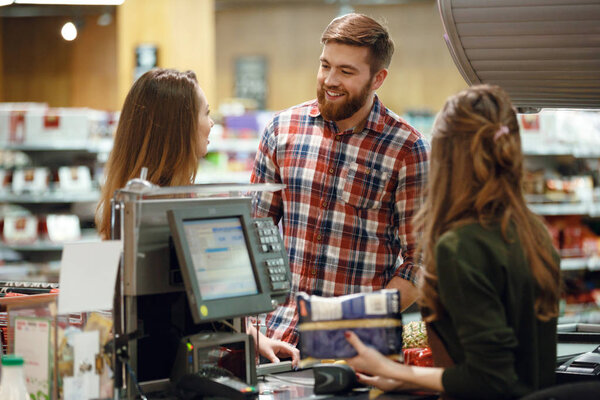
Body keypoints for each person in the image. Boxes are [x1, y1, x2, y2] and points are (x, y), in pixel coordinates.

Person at [344, 84, 561, 399]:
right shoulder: (533, 232)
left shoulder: (459, 247)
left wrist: (391, 368)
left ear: (445, 156)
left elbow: (491, 380)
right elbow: (511, 370)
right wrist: (414, 380)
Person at [95, 68, 299, 366]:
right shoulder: (146, 213)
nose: (212, 122)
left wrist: (254, 335)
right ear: (179, 127)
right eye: (206, 113)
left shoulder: (155, 203)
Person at [250, 13, 429, 347]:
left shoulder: (407, 149)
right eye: (325, 65)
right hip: (272, 337)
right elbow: (252, 232)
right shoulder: (282, 130)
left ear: (378, 79)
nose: (330, 80)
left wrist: (364, 322)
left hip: (353, 347)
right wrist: (248, 326)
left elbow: (421, 262)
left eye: (346, 71)